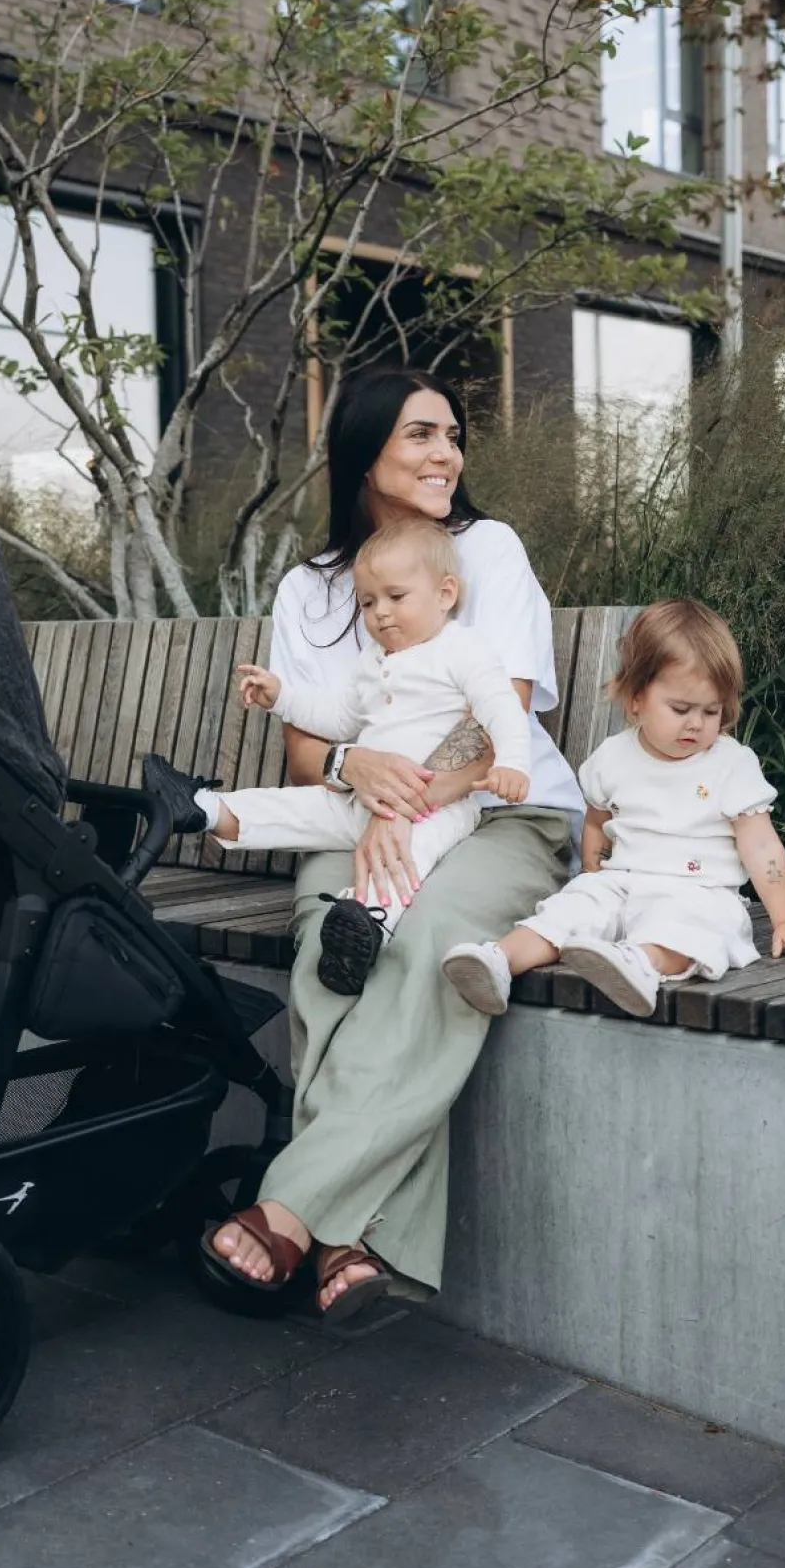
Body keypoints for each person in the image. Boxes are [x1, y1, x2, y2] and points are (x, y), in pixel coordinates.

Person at [199, 368, 583, 1324]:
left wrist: (398, 806)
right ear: (365, 452)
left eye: (453, 435)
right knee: (333, 945)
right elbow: (307, 754)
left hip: (497, 813)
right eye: (421, 434)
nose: (446, 453)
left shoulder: (486, 549)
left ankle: (294, 1208)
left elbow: (496, 717)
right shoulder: (310, 589)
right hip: (354, 810)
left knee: (429, 942)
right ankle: (352, 1241)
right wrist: (356, 771)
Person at [145, 519, 531, 996]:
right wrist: (281, 696)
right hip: (360, 799)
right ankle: (202, 808)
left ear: (445, 593)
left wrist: (513, 762)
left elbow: (500, 707)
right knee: (296, 806)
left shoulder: (462, 650)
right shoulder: (373, 661)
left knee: (402, 858)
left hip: (435, 808)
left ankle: (362, 925)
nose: (380, 613)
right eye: (367, 603)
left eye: (396, 597)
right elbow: (337, 716)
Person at [443, 598, 785, 1019]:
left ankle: (640, 964)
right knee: (568, 910)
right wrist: (592, 878)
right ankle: (500, 960)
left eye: (711, 711)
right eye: (680, 709)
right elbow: (597, 824)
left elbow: (761, 847)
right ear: (636, 698)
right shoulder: (612, 758)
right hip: (623, 882)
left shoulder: (731, 765)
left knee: (689, 928)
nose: (696, 723)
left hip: (698, 891)